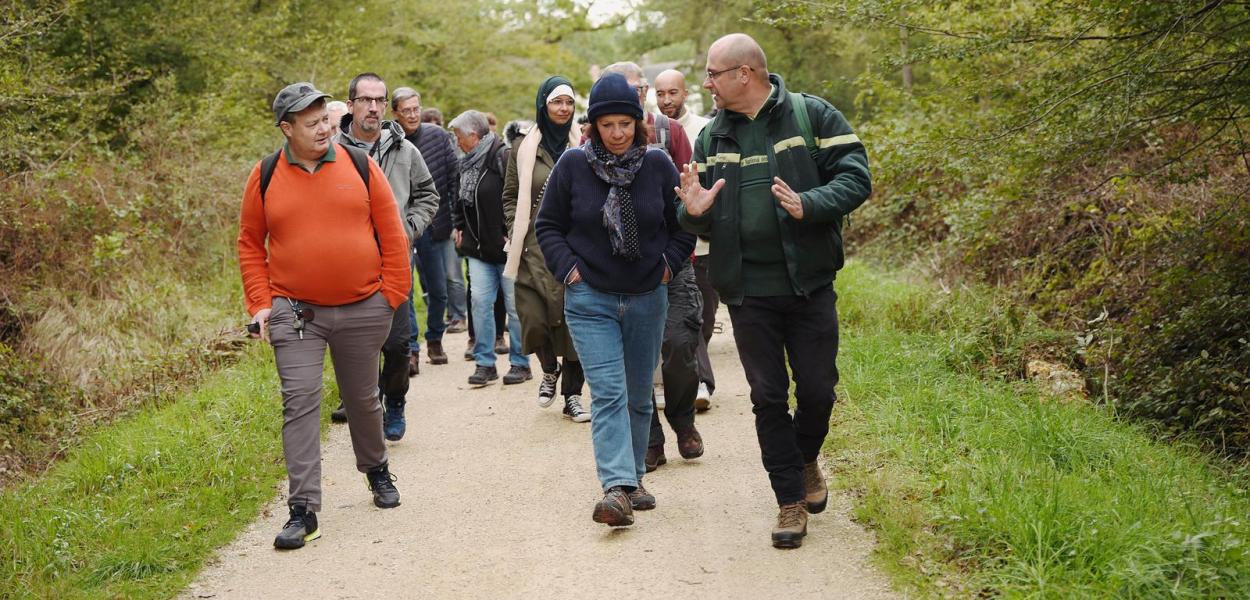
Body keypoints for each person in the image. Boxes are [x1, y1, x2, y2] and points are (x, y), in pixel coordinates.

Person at [676, 33, 872, 549]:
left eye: (714, 73)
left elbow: (857, 177)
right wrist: (689, 211)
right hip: (748, 292)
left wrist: (811, 203)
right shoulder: (711, 138)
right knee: (766, 397)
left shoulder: (812, 116)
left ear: (746, 73)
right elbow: (693, 210)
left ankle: (807, 459)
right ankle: (789, 500)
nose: (707, 83)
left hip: (809, 284)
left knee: (817, 390)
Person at [238, 82, 410, 550]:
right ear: (286, 128)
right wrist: (260, 304)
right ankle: (303, 510)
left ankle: (375, 469)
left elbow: (392, 232)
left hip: (363, 306)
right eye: (312, 122)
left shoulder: (358, 164)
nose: (323, 128)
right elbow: (251, 243)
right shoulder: (266, 174)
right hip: (295, 311)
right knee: (300, 401)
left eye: (325, 119)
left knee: (362, 399)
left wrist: (391, 296)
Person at [536, 73, 695, 527]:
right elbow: (548, 226)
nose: (619, 133)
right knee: (608, 393)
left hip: (647, 295)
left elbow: (682, 224)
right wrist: (571, 271)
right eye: (609, 125)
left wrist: (668, 265)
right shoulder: (572, 166)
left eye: (626, 123)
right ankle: (616, 489)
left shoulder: (659, 166)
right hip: (590, 299)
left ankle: (634, 478)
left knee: (640, 394)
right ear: (594, 126)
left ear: (638, 123)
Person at [602, 62, 705, 469]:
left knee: (680, 344)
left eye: (637, 89)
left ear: (644, 90)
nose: (634, 97)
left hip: (670, 263)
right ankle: (651, 438)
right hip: (621, 269)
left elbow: (688, 197)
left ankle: (682, 418)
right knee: (637, 359)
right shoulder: (592, 140)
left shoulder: (670, 132)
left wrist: (676, 255)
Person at [332, 73, 439, 441]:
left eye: (380, 100)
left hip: (394, 262)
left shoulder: (405, 150)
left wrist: (407, 230)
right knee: (355, 345)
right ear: (351, 105)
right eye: (366, 100)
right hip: (347, 265)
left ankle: (395, 399)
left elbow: (428, 195)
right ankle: (366, 406)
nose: (374, 107)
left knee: (396, 343)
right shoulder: (331, 152)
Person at [502, 76, 590, 423]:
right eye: (557, 102)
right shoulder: (522, 147)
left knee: (574, 324)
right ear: (543, 104)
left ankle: (572, 395)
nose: (563, 108)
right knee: (535, 320)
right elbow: (510, 195)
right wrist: (514, 228)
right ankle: (548, 369)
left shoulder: (582, 145)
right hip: (531, 247)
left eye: (568, 102)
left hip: (573, 247)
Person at [449, 110, 531, 387]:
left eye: (459, 137)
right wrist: (458, 225)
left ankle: (520, 363)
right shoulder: (465, 163)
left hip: (506, 248)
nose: (457, 142)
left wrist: (512, 233)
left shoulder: (503, 156)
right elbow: (461, 199)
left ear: (474, 136)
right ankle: (485, 364)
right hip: (478, 249)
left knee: (514, 306)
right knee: (481, 304)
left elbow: (519, 197)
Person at [655, 68, 717, 410]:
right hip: (677, 247)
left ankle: (689, 376)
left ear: (685, 93)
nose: (667, 100)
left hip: (706, 244)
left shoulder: (704, 130)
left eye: (673, 93)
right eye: (661, 94)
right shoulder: (654, 131)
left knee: (704, 318)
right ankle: (699, 385)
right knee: (686, 318)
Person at [392, 87, 462, 371]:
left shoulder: (438, 136)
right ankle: (412, 349)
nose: (412, 115)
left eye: (415, 109)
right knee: (405, 290)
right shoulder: (389, 141)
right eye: (406, 110)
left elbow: (454, 180)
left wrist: (458, 221)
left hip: (436, 226)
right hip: (401, 231)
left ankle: (434, 337)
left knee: (439, 290)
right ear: (395, 113)